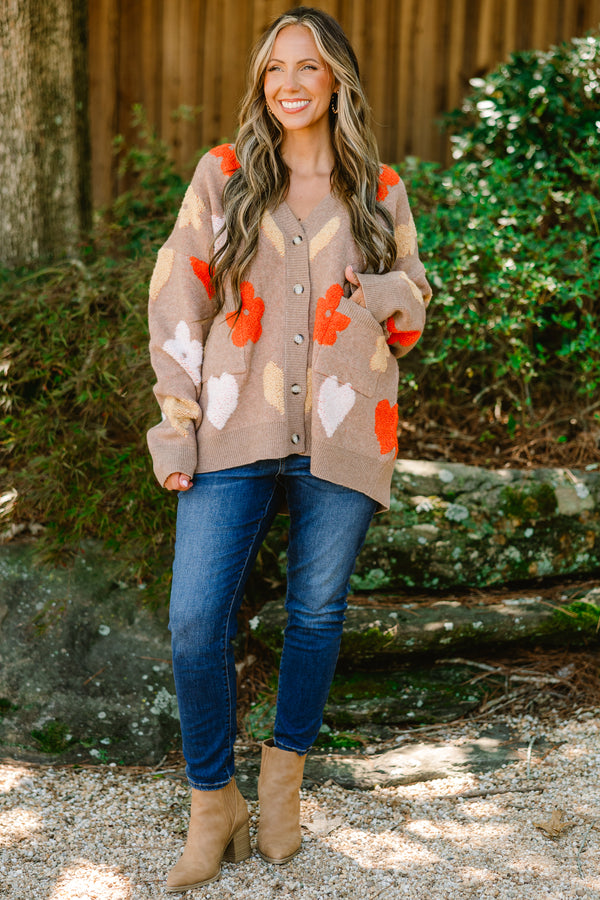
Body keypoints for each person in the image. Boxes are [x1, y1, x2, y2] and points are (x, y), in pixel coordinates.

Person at [147, 5, 431, 892]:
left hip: (347, 434)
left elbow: (415, 306)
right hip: (234, 428)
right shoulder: (225, 176)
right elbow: (176, 302)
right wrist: (175, 420)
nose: (289, 84)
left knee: (314, 617)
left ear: (337, 78)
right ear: (261, 83)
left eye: (307, 67)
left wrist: (383, 286)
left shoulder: (379, 188)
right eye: (275, 69)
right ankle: (212, 801)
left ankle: (281, 794)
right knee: (195, 620)